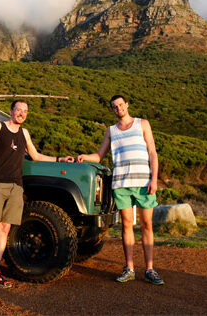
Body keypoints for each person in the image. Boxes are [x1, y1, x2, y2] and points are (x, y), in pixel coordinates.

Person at [0, 100, 73, 295]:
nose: (21, 113)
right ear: (11, 111)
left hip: (16, 187)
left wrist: (59, 159)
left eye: (25, 111)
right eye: (18, 109)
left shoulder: (24, 133)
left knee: (4, 229)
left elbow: (35, 156)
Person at [76, 95, 164, 285]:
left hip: (143, 182)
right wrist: (84, 157)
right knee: (126, 225)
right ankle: (129, 268)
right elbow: (100, 156)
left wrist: (154, 179)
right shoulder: (111, 131)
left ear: (127, 105)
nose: (118, 109)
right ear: (113, 110)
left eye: (120, 105)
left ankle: (150, 269)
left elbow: (152, 153)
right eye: (114, 107)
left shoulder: (143, 124)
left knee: (147, 225)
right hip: (121, 184)